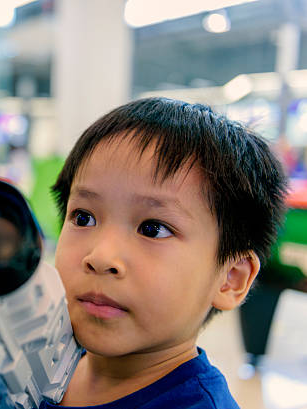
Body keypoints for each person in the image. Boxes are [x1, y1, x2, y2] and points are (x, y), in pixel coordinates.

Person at [44, 97, 288, 408]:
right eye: (83, 217)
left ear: (230, 278)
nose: (101, 256)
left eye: (153, 229)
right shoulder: (44, 362)